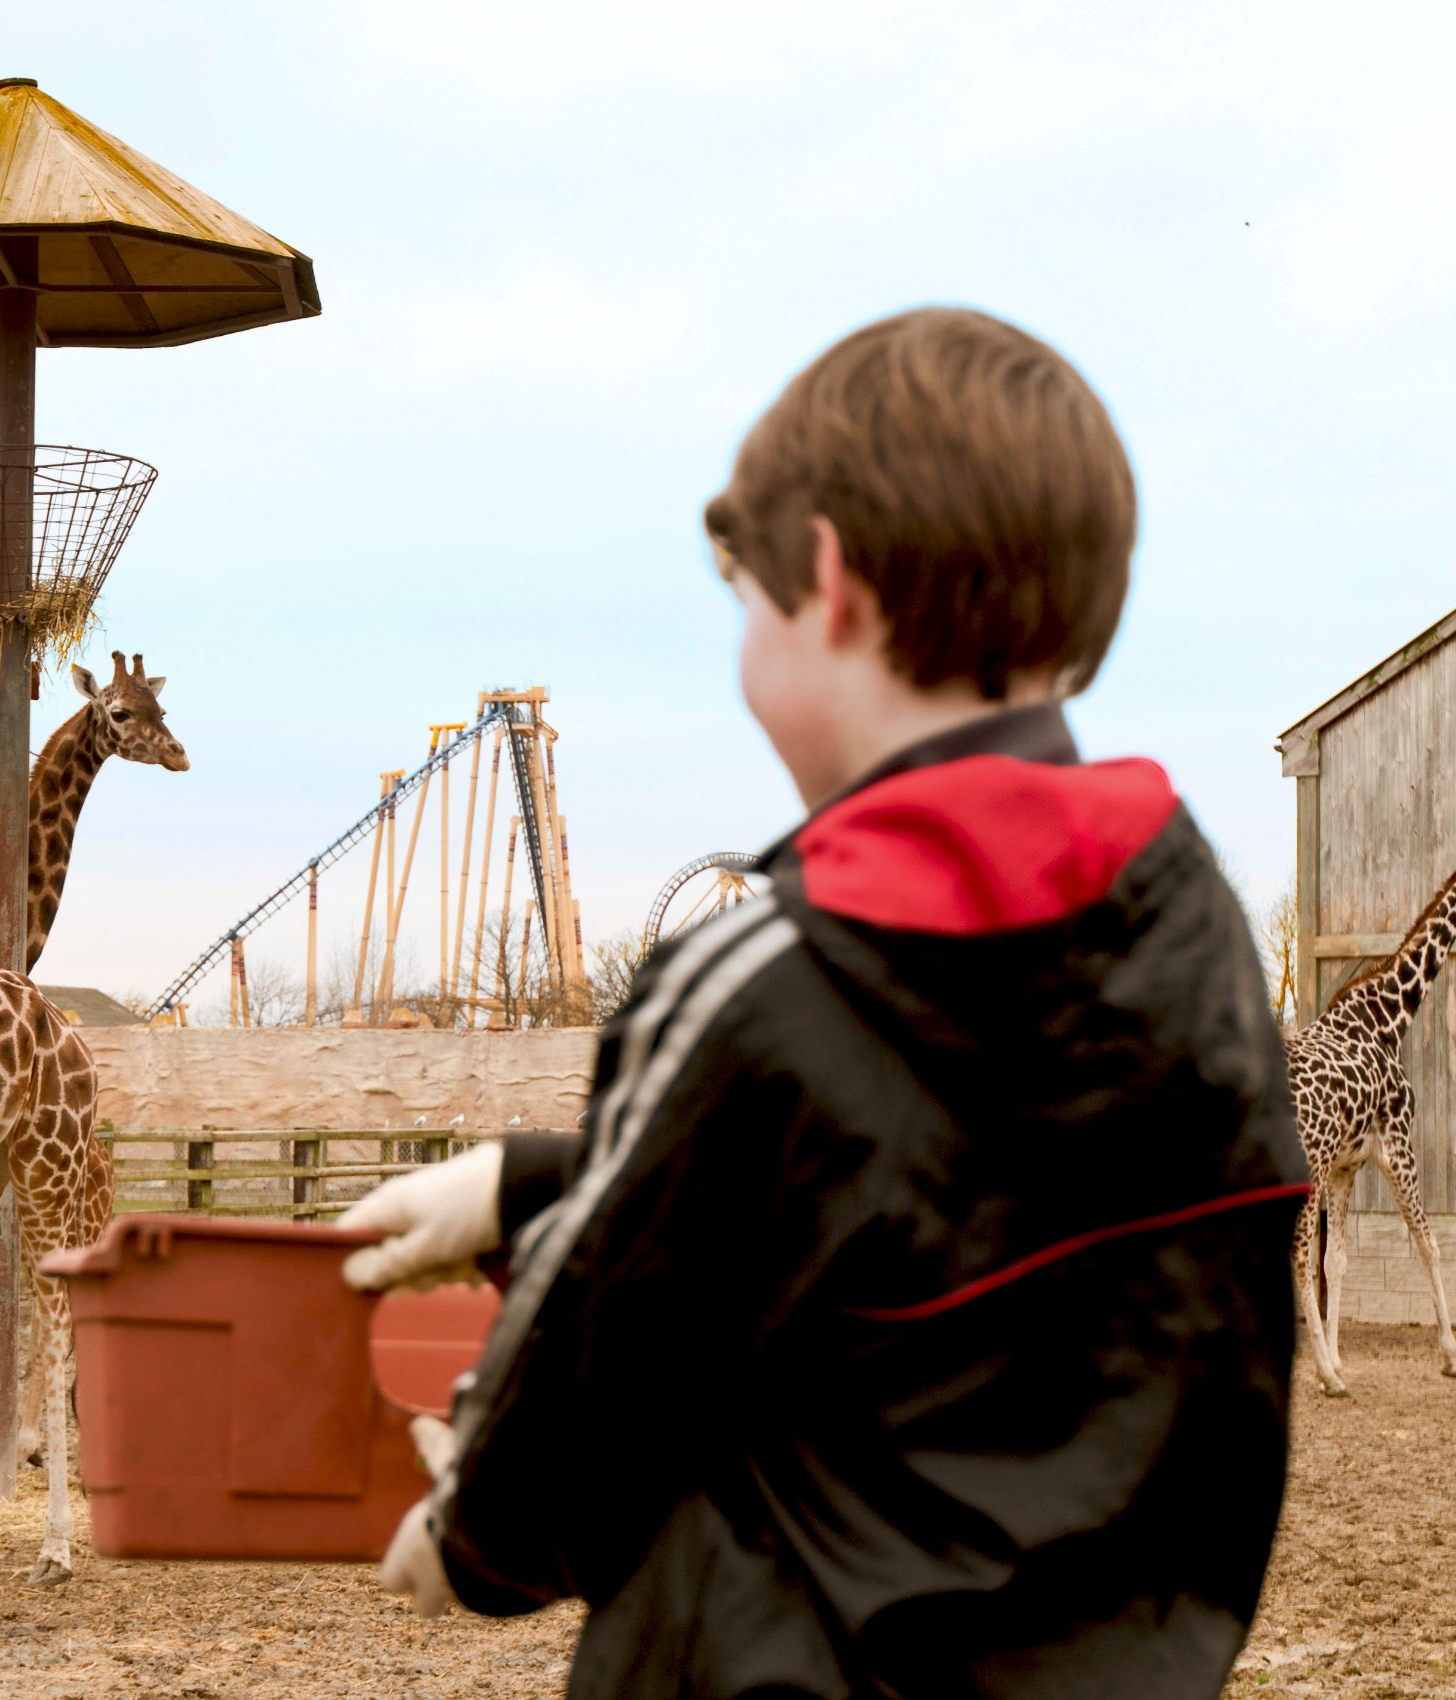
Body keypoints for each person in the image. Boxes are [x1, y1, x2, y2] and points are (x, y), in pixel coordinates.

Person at [339, 307, 1307, 1700]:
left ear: (831, 583)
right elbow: (933, 1215)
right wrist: (526, 1186)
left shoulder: (756, 979)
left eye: (745, 599)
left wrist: (475, 1538)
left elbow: (591, 1375)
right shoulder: (1189, 942)